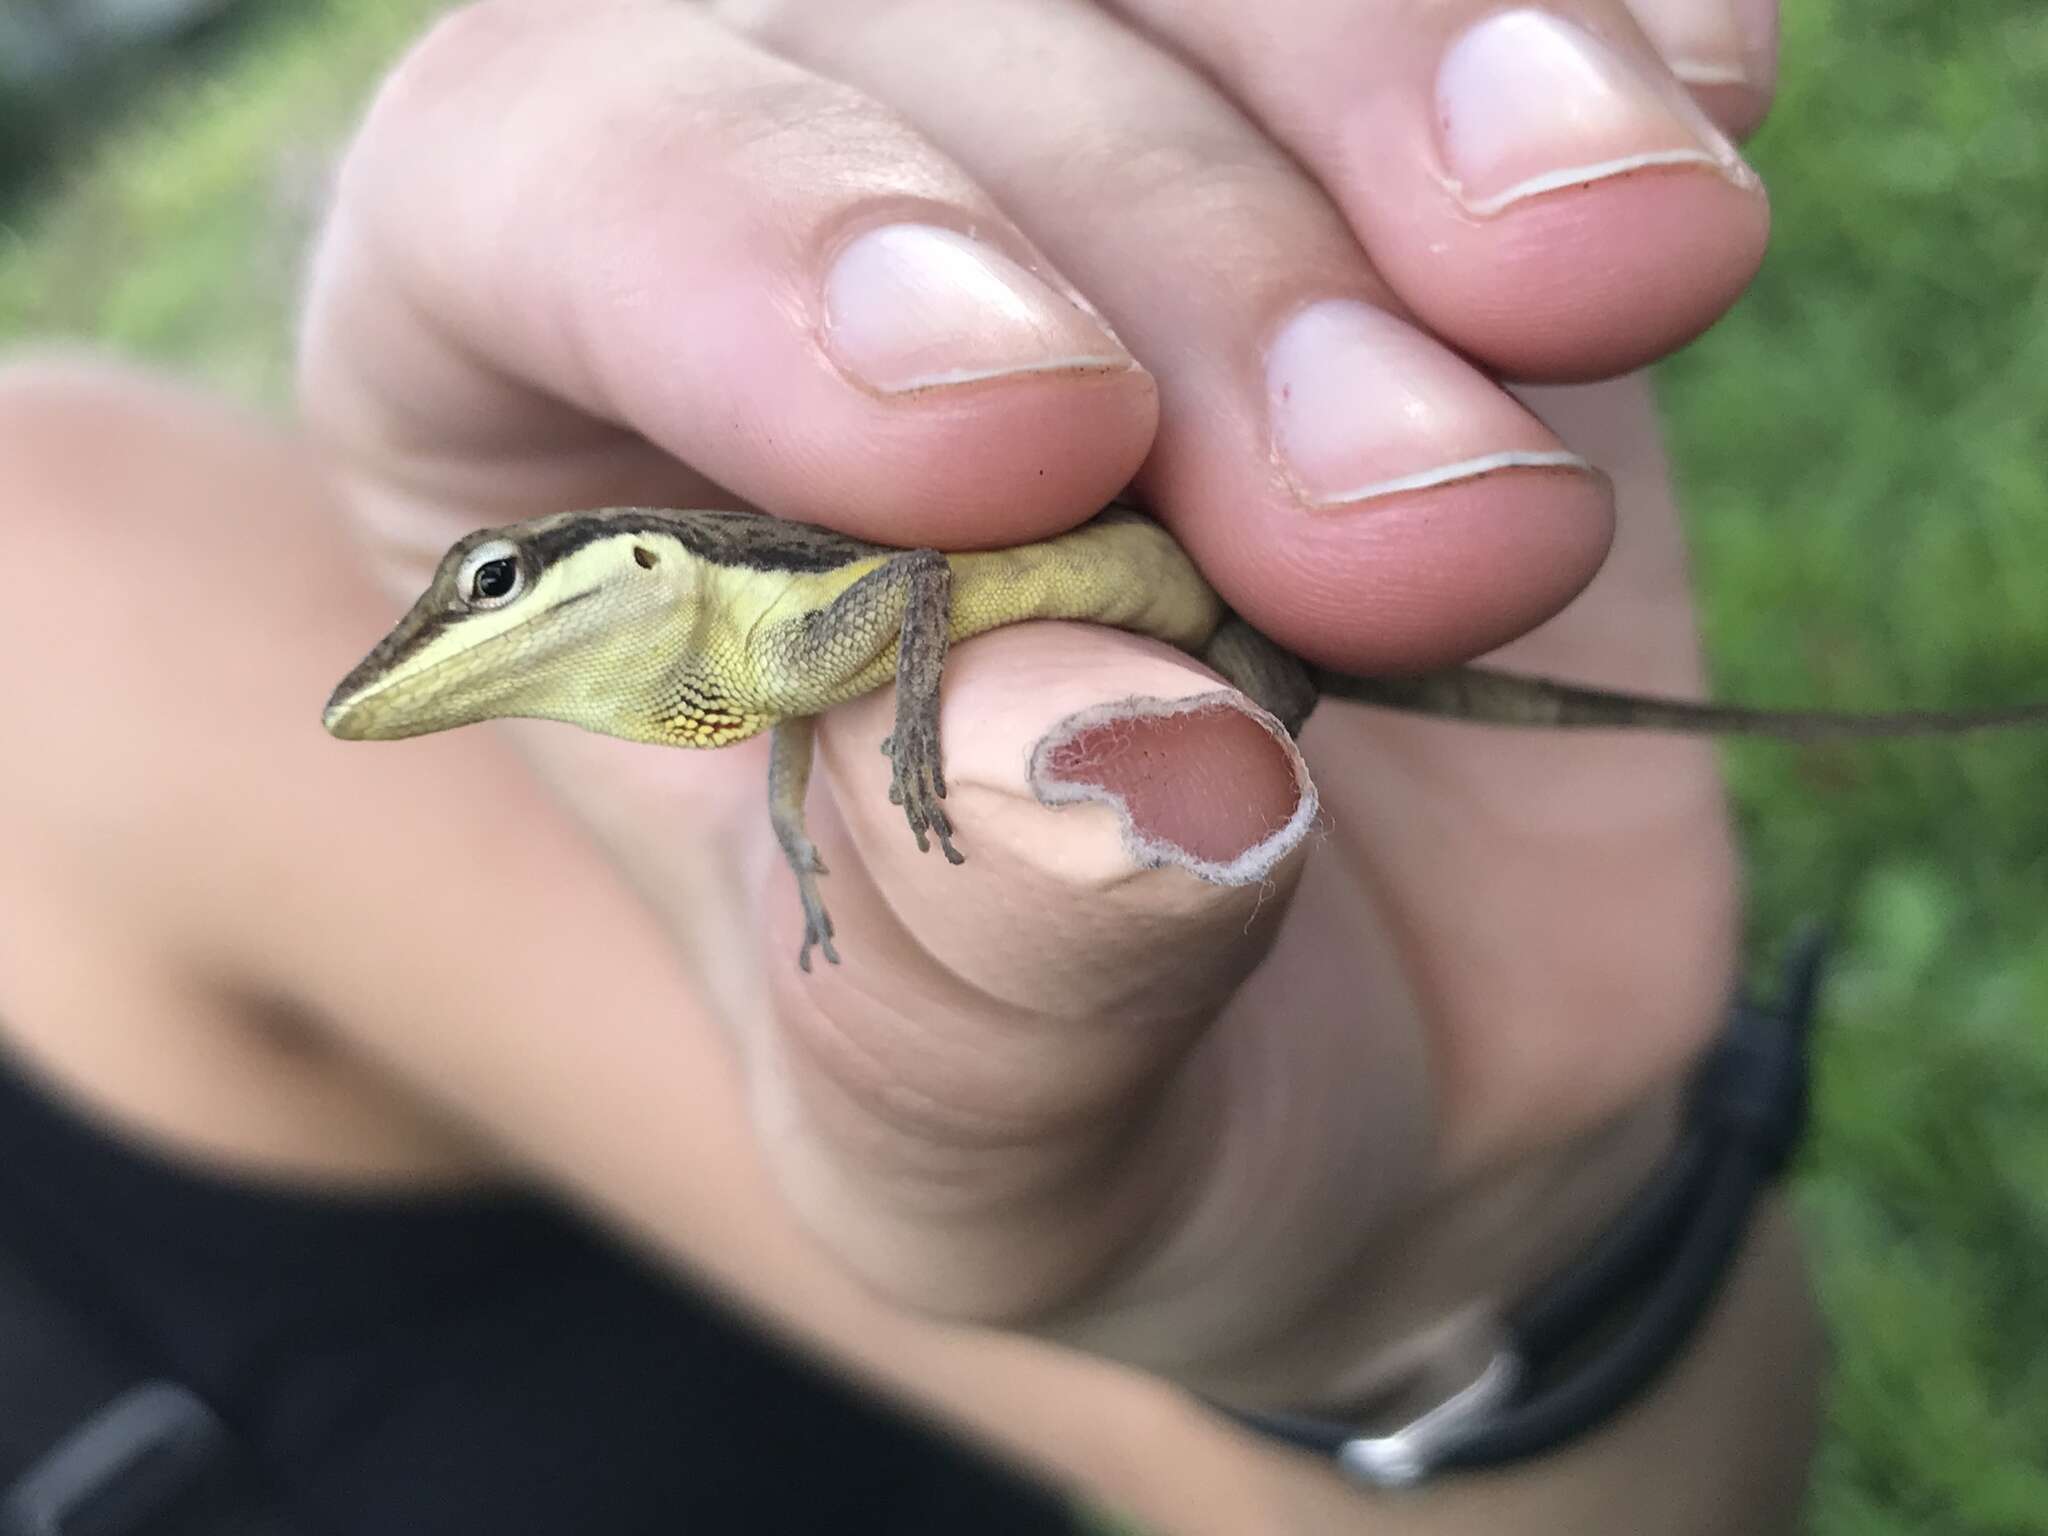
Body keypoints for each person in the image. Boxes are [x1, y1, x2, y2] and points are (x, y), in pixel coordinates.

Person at [0, 0, 1823, 1530]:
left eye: (487, 594)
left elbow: (916, 589)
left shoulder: (77, 603)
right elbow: (810, 734)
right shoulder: (754, 687)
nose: (455, 638)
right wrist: (814, 853)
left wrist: (932, 755)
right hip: (1202, 678)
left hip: (1197, 574)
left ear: (627, 563)